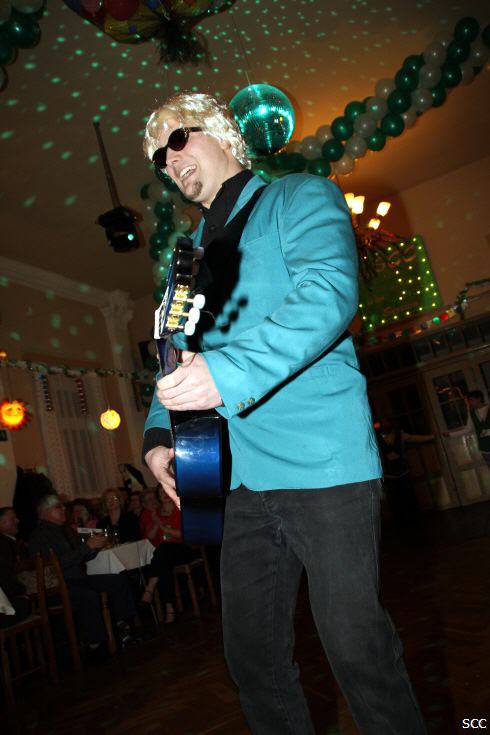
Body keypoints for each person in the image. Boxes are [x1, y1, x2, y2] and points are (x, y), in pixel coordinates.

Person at [141, 92, 427, 734]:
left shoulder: (298, 194)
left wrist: (224, 373)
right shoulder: (185, 257)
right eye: (159, 156)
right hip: (234, 479)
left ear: (222, 132)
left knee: (358, 651)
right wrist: (157, 435)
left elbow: (328, 293)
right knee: (252, 661)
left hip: (321, 459)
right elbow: (172, 356)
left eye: (178, 139)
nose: (169, 160)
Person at [28, 495, 138, 659]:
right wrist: (87, 547)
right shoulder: (38, 537)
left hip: (78, 580)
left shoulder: (67, 530)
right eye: (58, 507)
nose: (64, 509)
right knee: (88, 596)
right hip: (57, 588)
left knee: (118, 581)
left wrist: (95, 547)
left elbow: (82, 554)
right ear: (45, 512)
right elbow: (54, 565)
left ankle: (124, 629)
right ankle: (96, 644)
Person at [139, 488, 195, 623]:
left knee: (163, 551)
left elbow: (185, 534)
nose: (164, 495)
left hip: (183, 550)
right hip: (164, 555)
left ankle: (150, 588)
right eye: (161, 493)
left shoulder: (179, 509)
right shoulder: (156, 513)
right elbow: (150, 537)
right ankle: (169, 607)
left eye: (166, 491)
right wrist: (156, 522)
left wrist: (163, 528)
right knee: (163, 563)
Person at [376, 417, 434, 525]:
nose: (385, 425)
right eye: (383, 423)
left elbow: (414, 438)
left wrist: (431, 437)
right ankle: (400, 520)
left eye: (386, 422)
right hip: (389, 473)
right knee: (395, 498)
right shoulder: (377, 439)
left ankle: (414, 518)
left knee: (409, 495)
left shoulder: (400, 434)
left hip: (403, 470)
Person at [444, 389, 490, 468]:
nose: (470, 403)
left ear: (479, 398)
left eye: (472, 400)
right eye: (469, 401)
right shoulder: (472, 413)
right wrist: (450, 434)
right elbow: (468, 429)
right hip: (484, 447)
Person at [0, 507, 30, 627]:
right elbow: (5, 576)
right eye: (13, 519)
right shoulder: (3, 544)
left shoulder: (13, 542)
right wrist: (23, 592)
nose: (18, 521)